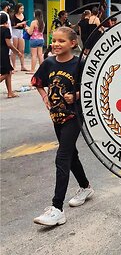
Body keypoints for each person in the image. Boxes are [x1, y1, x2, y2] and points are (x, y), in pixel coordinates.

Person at [32, 27, 94, 226]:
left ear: (73, 44)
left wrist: (75, 96)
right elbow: (37, 81)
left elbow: (91, 85)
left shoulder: (80, 64)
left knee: (63, 156)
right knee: (71, 154)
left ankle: (57, 208)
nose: (56, 44)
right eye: (54, 40)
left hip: (74, 115)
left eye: (61, 41)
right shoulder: (49, 63)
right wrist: (44, 97)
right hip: (56, 115)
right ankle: (85, 186)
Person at [0, 13, 22, 98]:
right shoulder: (6, 30)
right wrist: (17, 52)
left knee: (8, 72)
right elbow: (9, 44)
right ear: (6, 20)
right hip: (3, 52)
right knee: (5, 73)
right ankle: (10, 92)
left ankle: (10, 92)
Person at [26, 9, 45, 74]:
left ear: (35, 14)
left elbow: (30, 32)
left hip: (34, 40)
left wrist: (26, 28)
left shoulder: (33, 22)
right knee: (40, 55)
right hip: (41, 39)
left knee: (34, 55)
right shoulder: (42, 22)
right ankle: (42, 69)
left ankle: (32, 70)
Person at [10, 3, 28, 71]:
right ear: (17, 8)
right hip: (15, 31)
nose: (22, 10)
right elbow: (13, 25)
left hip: (21, 32)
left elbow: (25, 25)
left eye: (23, 8)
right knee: (14, 49)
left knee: (22, 50)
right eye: (21, 8)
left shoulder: (23, 15)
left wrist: (26, 27)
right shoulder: (13, 16)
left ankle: (22, 66)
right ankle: (14, 66)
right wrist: (20, 23)